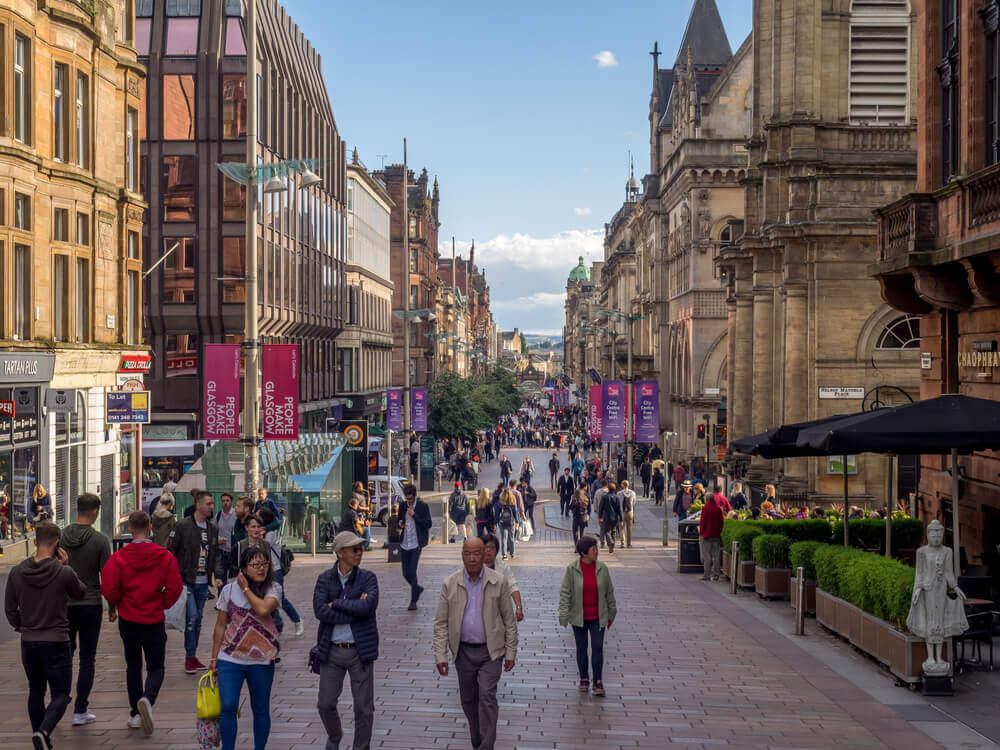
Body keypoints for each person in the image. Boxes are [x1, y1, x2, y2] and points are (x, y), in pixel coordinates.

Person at [5, 521, 85, 750]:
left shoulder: (17, 572)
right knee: (61, 694)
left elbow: (10, 608)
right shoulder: (63, 571)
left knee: (36, 691)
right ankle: (43, 731)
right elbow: (80, 592)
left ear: (35, 542)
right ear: (58, 544)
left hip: (29, 642)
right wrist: (67, 565)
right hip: (57, 640)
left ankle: (40, 737)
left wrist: (23, 626)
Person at [101, 511, 183, 736]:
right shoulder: (164, 556)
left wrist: (118, 602)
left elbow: (108, 586)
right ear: (150, 529)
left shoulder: (119, 557)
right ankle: (148, 698)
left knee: (133, 664)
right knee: (156, 666)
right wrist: (162, 602)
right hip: (153, 617)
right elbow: (175, 586)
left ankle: (135, 713)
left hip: (128, 618)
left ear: (129, 529)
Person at [433, 538, 518, 750]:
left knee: (487, 695)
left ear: (484, 555)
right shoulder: (450, 584)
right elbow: (441, 623)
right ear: (462, 555)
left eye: (476, 553)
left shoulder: (498, 581)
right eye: (467, 553)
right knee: (469, 701)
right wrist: (441, 656)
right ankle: (478, 741)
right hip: (463, 653)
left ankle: (486, 746)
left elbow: (509, 620)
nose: (472, 558)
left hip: (491, 652)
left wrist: (511, 652)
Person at [210, 544, 281, 750]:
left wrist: (246, 588)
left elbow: (262, 608)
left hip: (261, 659)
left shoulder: (273, 589)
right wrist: (214, 658)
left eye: (264, 564)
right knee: (228, 705)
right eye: (255, 564)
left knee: (260, 708)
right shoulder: (229, 590)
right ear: (243, 568)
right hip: (229, 657)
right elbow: (221, 625)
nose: (261, 569)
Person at [313, 531, 379, 750]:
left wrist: (338, 603)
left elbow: (367, 607)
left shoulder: (368, 578)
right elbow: (320, 611)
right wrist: (353, 606)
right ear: (340, 553)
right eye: (354, 549)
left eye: (360, 549)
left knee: (363, 708)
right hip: (332, 650)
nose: (359, 553)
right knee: (325, 703)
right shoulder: (324, 578)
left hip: (360, 651)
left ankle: (361, 747)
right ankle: (335, 735)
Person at [61, 493, 114, 726]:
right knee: (87, 659)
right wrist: (112, 606)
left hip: (64, 605)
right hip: (90, 603)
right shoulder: (100, 540)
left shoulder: (60, 537)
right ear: (94, 512)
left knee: (64, 656)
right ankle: (80, 709)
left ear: (78, 509)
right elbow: (107, 577)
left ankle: (59, 701)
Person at [168, 490, 223, 674]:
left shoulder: (212, 529)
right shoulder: (182, 526)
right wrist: (173, 576)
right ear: (198, 505)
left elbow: (215, 555)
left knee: (198, 619)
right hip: (186, 579)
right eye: (208, 504)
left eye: (212, 504)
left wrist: (218, 576)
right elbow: (171, 551)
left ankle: (192, 656)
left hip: (202, 582)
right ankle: (189, 656)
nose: (211, 507)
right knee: (191, 617)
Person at [558, 535, 617, 697]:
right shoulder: (572, 569)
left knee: (598, 648)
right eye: (593, 549)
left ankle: (598, 681)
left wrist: (612, 613)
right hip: (579, 616)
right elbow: (565, 593)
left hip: (598, 616)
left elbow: (609, 593)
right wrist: (563, 614)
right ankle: (584, 678)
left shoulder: (602, 568)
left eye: (596, 549)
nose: (596, 552)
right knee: (581, 648)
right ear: (584, 552)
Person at [257, 507, 303, 636]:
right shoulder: (264, 533)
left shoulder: (269, 535)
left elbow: (261, 547)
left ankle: (297, 620)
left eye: (258, 516)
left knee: (280, 599)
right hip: (264, 572)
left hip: (275, 571)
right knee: (267, 598)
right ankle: (276, 624)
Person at [396, 485, 432, 610]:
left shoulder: (423, 507)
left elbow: (428, 524)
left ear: (415, 496)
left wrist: (414, 515)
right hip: (405, 543)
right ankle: (417, 588)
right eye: (407, 499)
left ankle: (413, 601)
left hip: (416, 544)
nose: (409, 501)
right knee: (405, 573)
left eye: (410, 499)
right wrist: (400, 523)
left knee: (412, 571)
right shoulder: (402, 506)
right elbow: (399, 521)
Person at [481, 533, 524, 622]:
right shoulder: (473, 566)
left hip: (498, 614)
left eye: (492, 548)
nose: (488, 550)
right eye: (486, 547)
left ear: (496, 551)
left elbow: (512, 586)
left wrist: (519, 607)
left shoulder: (503, 567)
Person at [699, 492, 724, 581]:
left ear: (707, 499)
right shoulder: (718, 509)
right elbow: (722, 522)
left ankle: (707, 575)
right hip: (716, 535)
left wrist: (701, 533)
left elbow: (703, 522)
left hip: (706, 536)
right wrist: (719, 532)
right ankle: (716, 575)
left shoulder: (705, 508)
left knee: (707, 556)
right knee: (716, 555)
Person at [216, 493, 237, 586]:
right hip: (221, 552)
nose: (225, 503)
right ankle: (222, 597)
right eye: (223, 501)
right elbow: (214, 531)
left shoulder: (236, 515)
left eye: (227, 500)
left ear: (231, 502)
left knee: (234, 579)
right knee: (221, 579)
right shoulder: (218, 515)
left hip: (233, 552)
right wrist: (217, 539)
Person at [496, 485, 520, 560]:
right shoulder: (513, 501)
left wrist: (496, 522)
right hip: (511, 522)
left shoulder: (500, 502)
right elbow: (515, 512)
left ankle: (504, 555)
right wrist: (517, 521)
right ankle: (512, 553)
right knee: (511, 538)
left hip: (502, 522)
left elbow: (497, 513)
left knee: (504, 538)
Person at [598, 483, 623, 554]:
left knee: (607, 531)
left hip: (607, 517)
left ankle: (610, 543)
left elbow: (601, 508)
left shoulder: (605, 497)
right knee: (614, 531)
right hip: (615, 517)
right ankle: (613, 544)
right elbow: (619, 509)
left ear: (608, 489)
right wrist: (621, 519)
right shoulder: (617, 497)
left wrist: (600, 516)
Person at [619, 480, 637, 549]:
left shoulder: (619, 493)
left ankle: (622, 543)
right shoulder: (632, 493)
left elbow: (618, 502)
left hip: (622, 512)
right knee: (629, 528)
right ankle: (629, 544)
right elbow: (634, 502)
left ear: (623, 485)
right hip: (630, 512)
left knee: (621, 528)